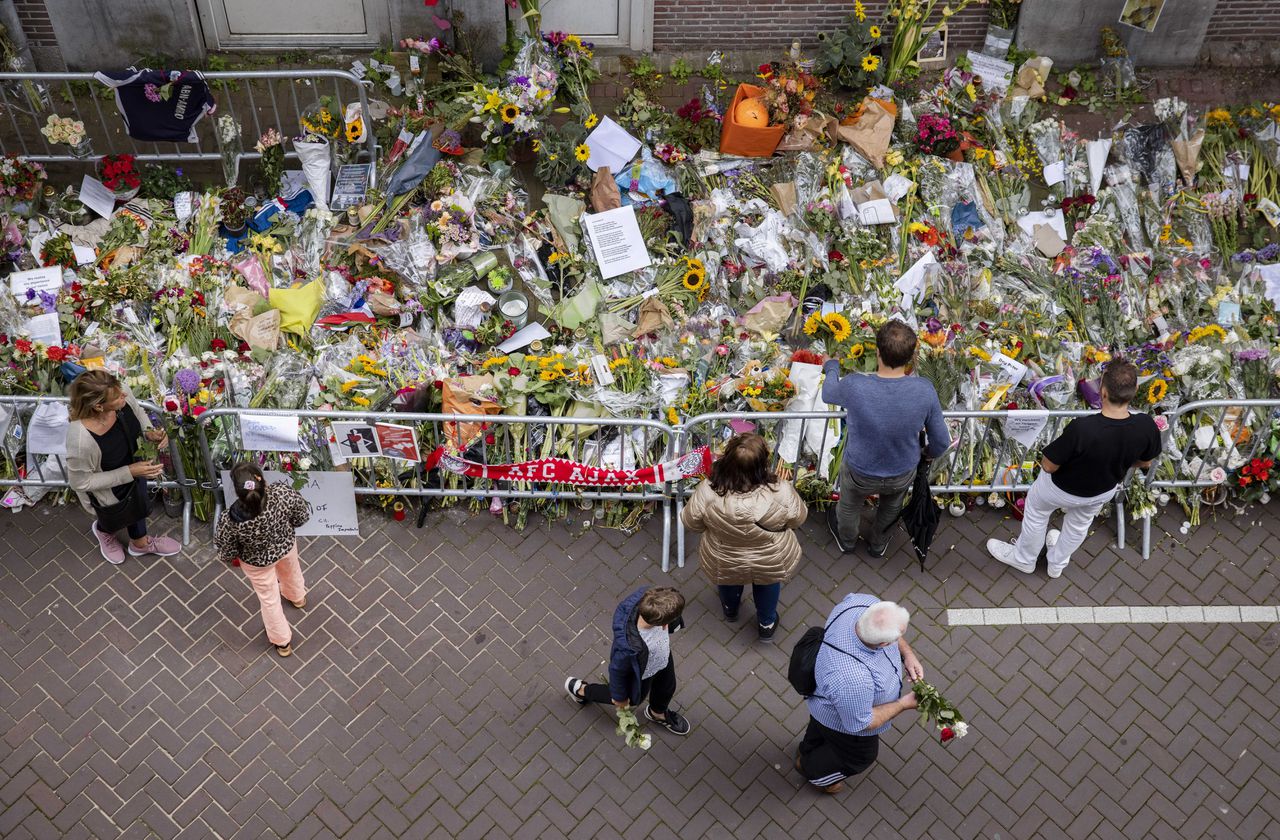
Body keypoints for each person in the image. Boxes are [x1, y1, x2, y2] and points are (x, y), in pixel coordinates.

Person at [987, 359, 1160, 578]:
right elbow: (1145, 462)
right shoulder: (1146, 425)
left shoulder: (1084, 428)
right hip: (1102, 490)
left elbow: (1049, 465)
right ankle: (1056, 564)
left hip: (1060, 488)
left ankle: (1024, 559)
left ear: (1102, 391)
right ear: (1135, 390)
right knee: (1079, 525)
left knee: (1037, 514)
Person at [821, 320, 951, 557]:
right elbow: (942, 441)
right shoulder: (924, 390)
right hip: (901, 470)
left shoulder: (855, 385)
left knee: (849, 505)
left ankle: (847, 541)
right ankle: (878, 545)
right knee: (891, 507)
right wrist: (927, 454)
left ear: (877, 351)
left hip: (860, 468)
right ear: (912, 358)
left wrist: (831, 367)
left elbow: (828, 393)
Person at [681, 433, 807, 641]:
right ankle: (766, 623)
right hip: (770, 556)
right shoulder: (781, 490)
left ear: (727, 459)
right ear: (762, 464)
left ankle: (731, 609)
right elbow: (797, 518)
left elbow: (691, 521)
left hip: (725, 555)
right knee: (768, 585)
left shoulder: (708, 491)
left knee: (728, 582)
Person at [797, 594, 924, 794]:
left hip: (826, 700)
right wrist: (903, 704)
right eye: (897, 638)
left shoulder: (863, 604)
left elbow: (892, 632)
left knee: (818, 732)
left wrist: (908, 655)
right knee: (859, 757)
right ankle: (814, 772)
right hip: (843, 721)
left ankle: (807, 749)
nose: (900, 640)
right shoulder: (852, 680)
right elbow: (860, 723)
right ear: (884, 644)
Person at [65, 369, 180, 564]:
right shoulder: (80, 440)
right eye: (117, 396)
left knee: (138, 506)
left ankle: (140, 544)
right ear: (99, 407)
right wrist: (129, 472)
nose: (124, 394)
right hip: (110, 486)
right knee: (115, 514)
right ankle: (104, 531)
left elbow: (138, 412)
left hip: (136, 469)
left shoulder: (120, 392)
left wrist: (149, 432)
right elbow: (80, 482)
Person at [564, 586, 692, 736]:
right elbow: (617, 670)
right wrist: (620, 698)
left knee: (667, 687)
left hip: (661, 659)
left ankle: (657, 713)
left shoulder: (653, 602)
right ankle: (581, 690)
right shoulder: (628, 648)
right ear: (663, 625)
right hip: (641, 672)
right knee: (630, 700)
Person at [215, 461, 312, 657]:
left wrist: (233, 557)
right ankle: (297, 597)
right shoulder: (282, 494)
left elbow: (226, 550)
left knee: (269, 599)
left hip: (256, 563)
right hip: (285, 546)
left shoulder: (229, 519)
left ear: (237, 491)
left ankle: (282, 641)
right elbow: (302, 516)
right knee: (291, 571)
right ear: (263, 480)